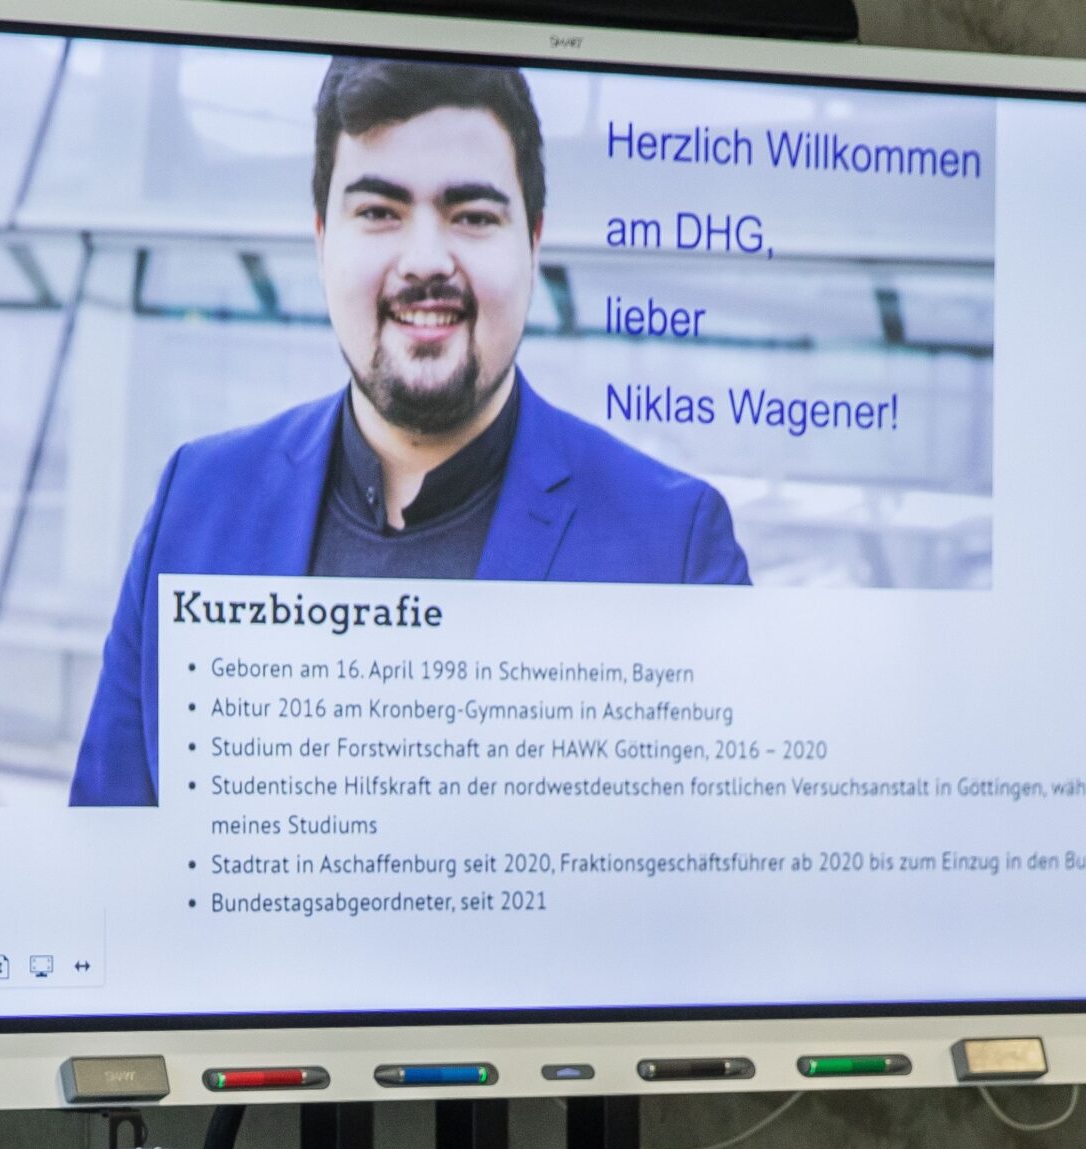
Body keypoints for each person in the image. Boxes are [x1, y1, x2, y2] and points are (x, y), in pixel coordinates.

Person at [69, 58, 750, 807]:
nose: (426, 261)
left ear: (535, 243)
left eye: (474, 216)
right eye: (379, 212)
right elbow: (107, 875)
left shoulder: (673, 544)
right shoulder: (195, 504)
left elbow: (719, 898)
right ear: (323, 238)